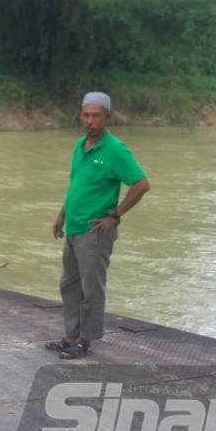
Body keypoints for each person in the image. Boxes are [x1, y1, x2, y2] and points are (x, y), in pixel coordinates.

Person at [48, 92, 150, 359]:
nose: (90, 121)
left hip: (95, 232)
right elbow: (76, 185)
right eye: (86, 115)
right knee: (69, 285)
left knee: (91, 289)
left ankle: (85, 341)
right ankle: (70, 336)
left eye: (96, 116)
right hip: (73, 227)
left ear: (107, 118)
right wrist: (61, 215)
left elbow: (141, 184)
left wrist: (114, 216)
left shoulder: (115, 150)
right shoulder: (81, 145)